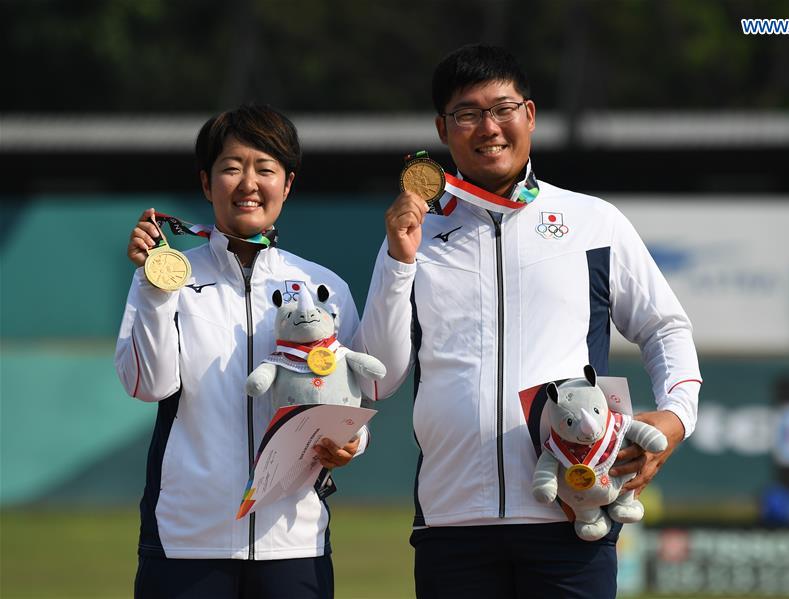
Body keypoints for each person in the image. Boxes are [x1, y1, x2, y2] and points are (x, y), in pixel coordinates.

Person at [355, 44, 702, 598]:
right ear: (443, 130)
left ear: (530, 116)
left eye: (503, 108)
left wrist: (676, 418)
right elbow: (377, 377)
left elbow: (665, 328)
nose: (488, 127)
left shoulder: (593, 222)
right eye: (467, 114)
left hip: (572, 511)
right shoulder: (415, 233)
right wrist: (400, 257)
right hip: (452, 521)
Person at [115, 104, 364, 599]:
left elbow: (349, 402)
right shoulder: (168, 279)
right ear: (207, 184)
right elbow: (148, 385)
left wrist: (350, 445)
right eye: (231, 168)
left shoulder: (324, 288)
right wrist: (153, 286)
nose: (248, 182)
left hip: (293, 541)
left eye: (265, 168)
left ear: (287, 184)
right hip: (187, 541)